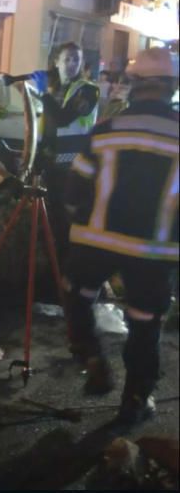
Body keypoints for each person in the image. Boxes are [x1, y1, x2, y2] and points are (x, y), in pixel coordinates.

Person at [63, 47, 179, 426]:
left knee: (77, 296)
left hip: (95, 240)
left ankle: (91, 355)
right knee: (145, 323)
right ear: (172, 87)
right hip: (152, 250)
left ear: (132, 85)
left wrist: (75, 215)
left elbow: (75, 186)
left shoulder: (105, 130)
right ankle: (134, 401)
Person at [35, 42, 99, 257]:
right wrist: (36, 161)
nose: (72, 64)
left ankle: (67, 269)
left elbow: (62, 119)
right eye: (67, 59)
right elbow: (47, 129)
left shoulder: (89, 91)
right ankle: (54, 266)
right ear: (56, 62)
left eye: (76, 59)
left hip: (74, 167)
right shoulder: (56, 91)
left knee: (69, 222)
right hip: (52, 165)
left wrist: (43, 94)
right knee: (53, 221)